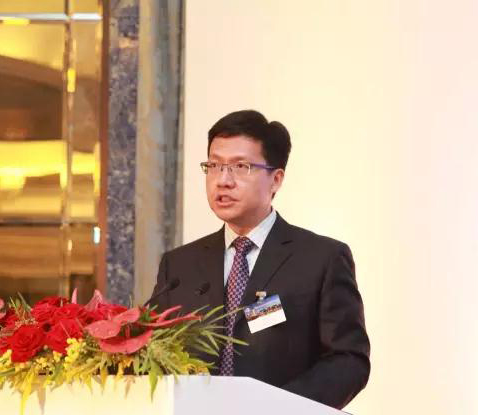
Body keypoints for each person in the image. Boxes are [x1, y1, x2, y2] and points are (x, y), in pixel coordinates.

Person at [150, 109, 370, 409]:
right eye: (214, 165)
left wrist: (279, 407)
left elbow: (349, 360)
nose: (223, 180)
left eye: (240, 166)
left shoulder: (321, 259)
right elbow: (150, 350)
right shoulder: (178, 265)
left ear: (276, 179)